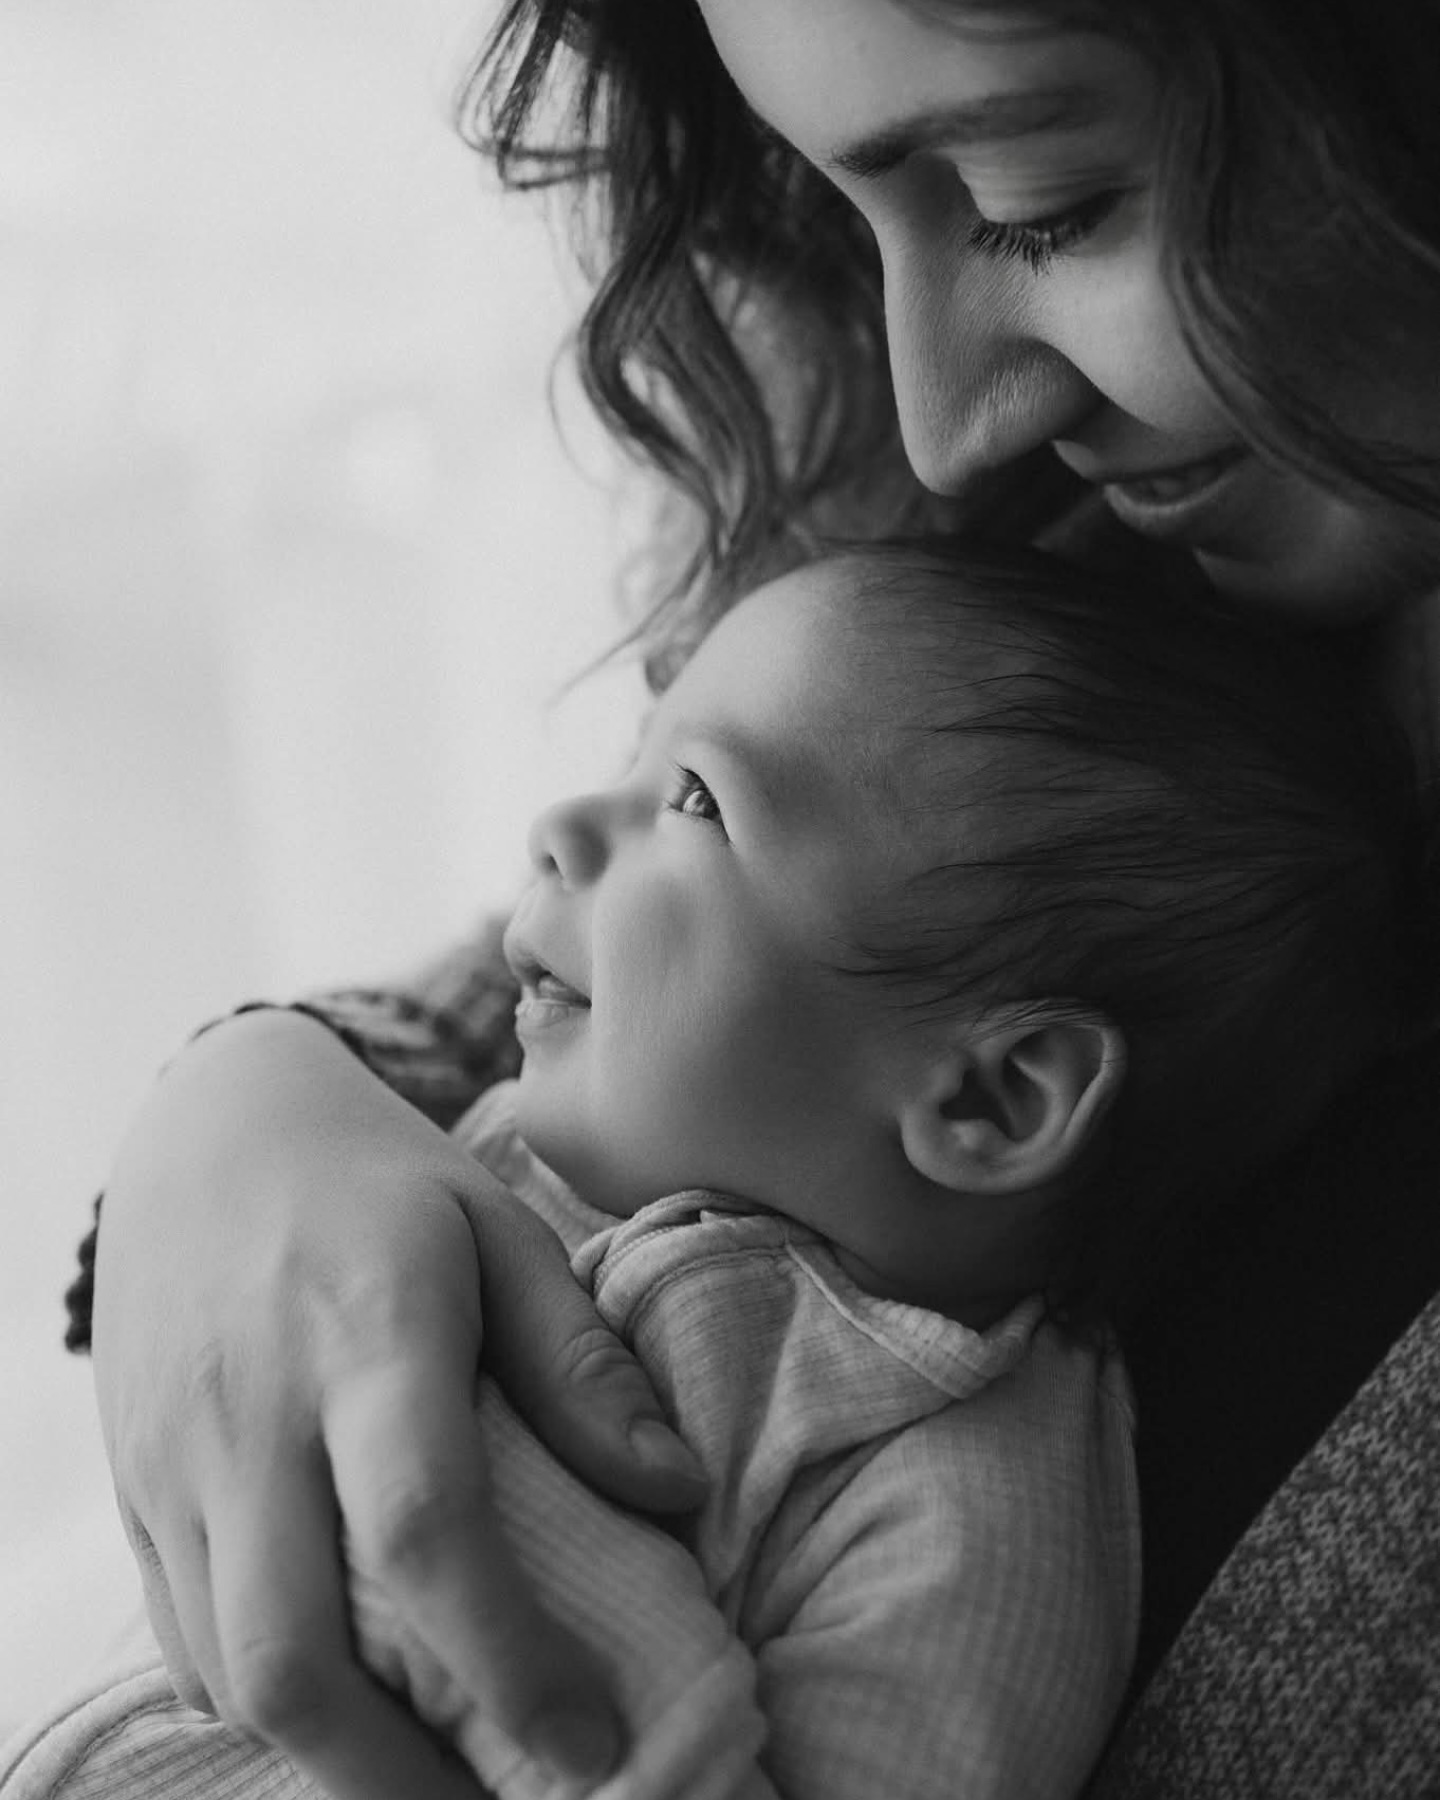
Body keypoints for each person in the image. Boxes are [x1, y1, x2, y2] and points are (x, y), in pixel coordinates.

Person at [56, 0, 1440, 1795]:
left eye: (1045, 197)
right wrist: (240, 1114)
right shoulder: (1105, 581)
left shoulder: (936, 1469)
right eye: (844, 203)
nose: (943, 427)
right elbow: (540, 999)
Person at [14, 537, 1422, 1800]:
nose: (563, 827)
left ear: (990, 1098)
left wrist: (583, 1657)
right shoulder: (531, 1140)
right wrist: (249, 1086)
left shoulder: (956, 1491)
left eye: (692, 800)